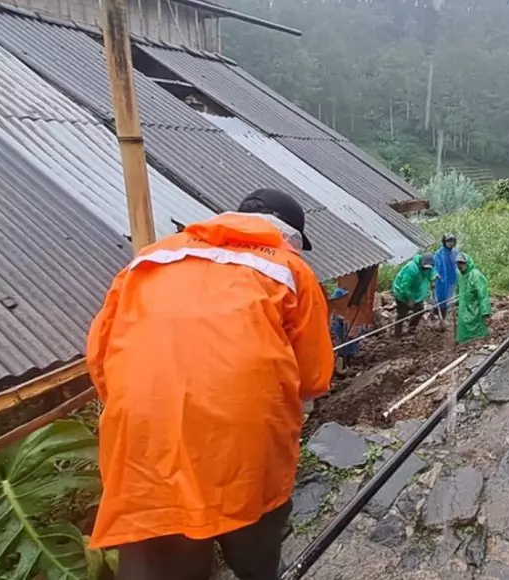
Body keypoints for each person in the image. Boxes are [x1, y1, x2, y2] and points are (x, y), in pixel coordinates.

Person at [85, 188, 334, 580]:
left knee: (161, 553)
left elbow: (99, 358)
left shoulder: (149, 259)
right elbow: (314, 377)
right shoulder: (289, 270)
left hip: (145, 443)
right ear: (289, 238)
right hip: (243, 448)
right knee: (255, 549)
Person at [391, 252, 436, 337]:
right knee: (402, 314)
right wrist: (410, 299)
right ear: (421, 263)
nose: (426, 270)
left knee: (419, 310)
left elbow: (431, 271)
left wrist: (433, 279)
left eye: (428, 268)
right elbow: (405, 286)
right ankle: (397, 334)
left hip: (416, 290)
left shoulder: (428, 266)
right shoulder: (411, 269)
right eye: (425, 268)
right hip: (402, 292)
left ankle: (411, 329)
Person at [455, 253, 492, 344]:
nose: (460, 265)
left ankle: (478, 344)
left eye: (462, 263)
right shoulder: (461, 277)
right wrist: (455, 303)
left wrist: (485, 312)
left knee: (477, 334)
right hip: (464, 311)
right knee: (464, 333)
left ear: (467, 262)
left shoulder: (476, 275)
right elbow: (459, 293)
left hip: (475, 310)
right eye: (458, 263)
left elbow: (483, 295)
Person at [433, 233, 459, 319]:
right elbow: (435, 266)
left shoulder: (456, 252)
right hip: (441, 279)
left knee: (450, 298)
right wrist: (435, 274)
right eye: (449, 241)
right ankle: (436, 315)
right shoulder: (439, 253)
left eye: (452, 241)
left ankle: (445, 316)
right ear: (444, 242)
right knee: (440, 297)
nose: (451, 243)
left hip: (452, 279)